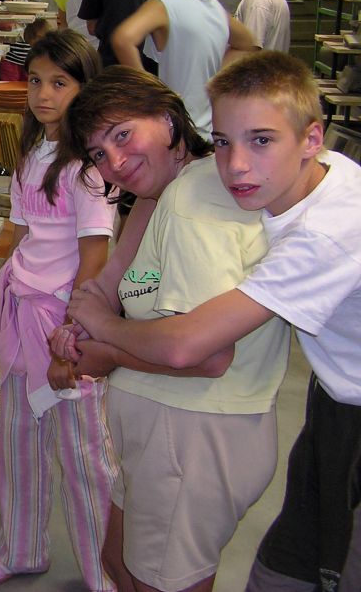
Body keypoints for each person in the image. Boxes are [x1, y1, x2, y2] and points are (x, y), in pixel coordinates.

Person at [62, 52, 361, 592]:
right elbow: (114, 278)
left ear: (169, 119)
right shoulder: (170, 191)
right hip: (284, 409)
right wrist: (88, 314)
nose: (238, 165)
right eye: (99, 153)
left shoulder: (215, 204)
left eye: (124, 135)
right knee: (124, 562)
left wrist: (104, 340)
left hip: (198, 431)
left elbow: (200, 352)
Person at [0, 30, 119, 590]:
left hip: (64, 325)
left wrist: (69, 340)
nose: (43, 94)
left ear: (85, 89)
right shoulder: (31, 156)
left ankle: (105, 575)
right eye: (35, 81)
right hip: (20, 316)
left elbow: (95, 261)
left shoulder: (90, 170)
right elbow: (17, 244)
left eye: (60, 82)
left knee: (84, 459)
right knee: (18, 447)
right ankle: (21, 549)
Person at [111, 0, 259, 138]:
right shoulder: (215, 8)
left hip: (175, 130)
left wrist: (150, 91)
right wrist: (214, 76)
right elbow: (248, 43)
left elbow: (122, 39)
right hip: (208, 131)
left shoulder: (163, 4)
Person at [0, 17, 50, 82]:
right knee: (11, 83)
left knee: (25, 82)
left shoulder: (44, 44)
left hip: (24, 63)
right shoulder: (17, 35)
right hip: (10, 61)